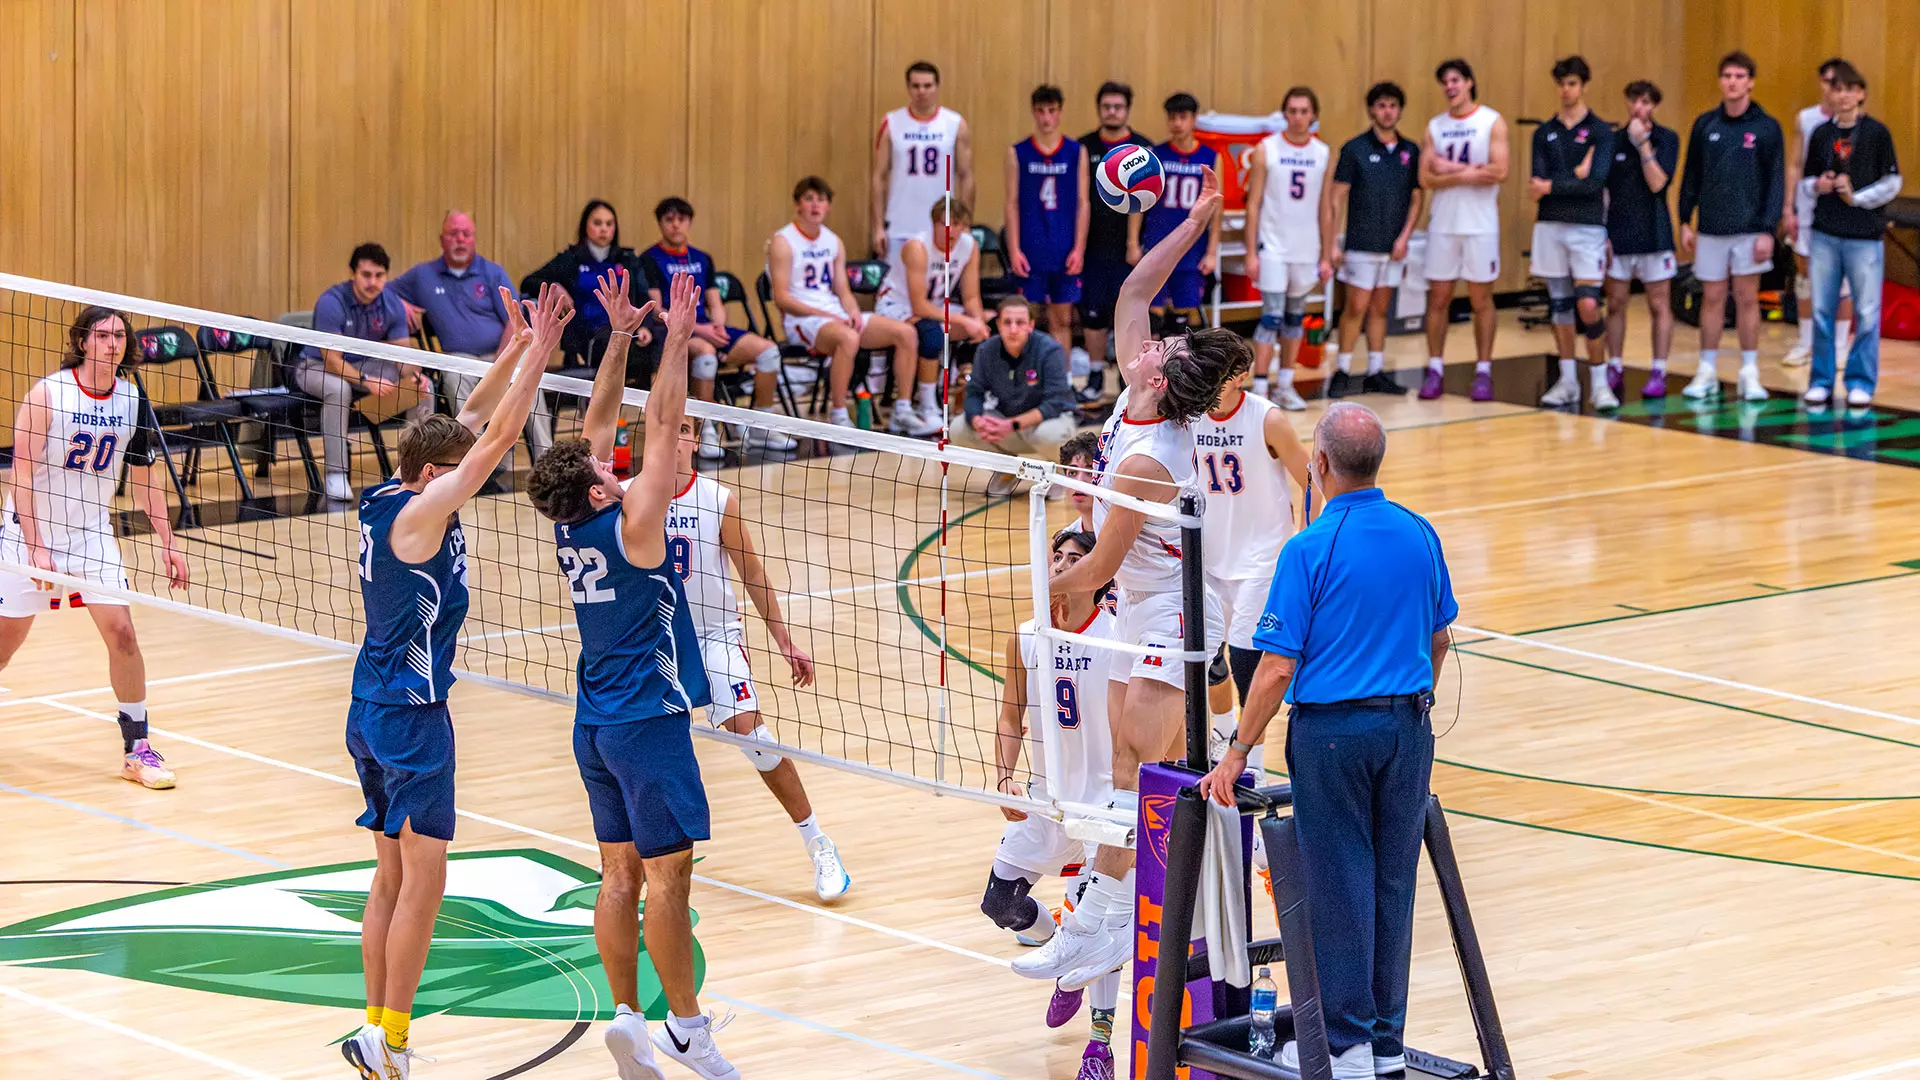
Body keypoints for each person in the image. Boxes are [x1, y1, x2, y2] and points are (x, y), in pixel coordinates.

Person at [1012, 163, 1237, 991]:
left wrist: (1040, 588)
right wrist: (1197, 216)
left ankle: (1104, 924)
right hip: (1143, 610)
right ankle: (1101, 926)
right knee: (1122, 777)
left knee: (1140, 770)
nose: (1150, 339)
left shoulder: (1151, 457)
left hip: (1174, 614)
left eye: (1164, 348)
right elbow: (1139, 284)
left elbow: (1100, 568)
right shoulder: (1130, 402)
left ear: (1161, 378)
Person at [339, 285, 568, 1080]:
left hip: (370, 709)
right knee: (424, 886)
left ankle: (374, 1028)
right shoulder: (422, 516)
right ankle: (392, 1039)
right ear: (434, 476)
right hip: (411, 714)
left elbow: (468, 418)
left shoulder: (390, 494)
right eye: (456, 473)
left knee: (391, 874)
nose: (469, 478)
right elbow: (498, 434)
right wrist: (542, 351)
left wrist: (510, 346)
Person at [522, 272, 740, 1080]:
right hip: (648, 722)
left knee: (616, 874)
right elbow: (660, 422)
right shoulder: (637, 524)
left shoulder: (573, 524)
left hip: (594, 722)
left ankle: (626, 1015)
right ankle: (686, 1025)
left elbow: (599, 423)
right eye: (605, 470)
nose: (615, 467)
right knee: (667, 879)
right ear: (597, 488)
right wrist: (677, 337)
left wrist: (618, 339)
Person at [1198, 402, 1456, 1080]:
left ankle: (1347, 1048)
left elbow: (1276, 666)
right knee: (1392, 882)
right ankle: (1386, 1043)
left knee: (1339, 885)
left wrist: (1236, 749)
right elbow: (1440, 636)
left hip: (1334, 736)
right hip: (1408, 729)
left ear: (1318, 464)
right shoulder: (1419, 532)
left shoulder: (1309, 547)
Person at [661, 357, 853, 902]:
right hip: (656, 642)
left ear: (695, 441)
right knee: (651, 747)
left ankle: (818, 843)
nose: (674, 439)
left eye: (684, 430)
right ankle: (654, 857)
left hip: (716, 636)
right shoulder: (630, 494)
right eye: (665, 428)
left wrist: (785, 641)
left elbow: (753, 573)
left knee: (757, 739)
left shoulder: (718, 499)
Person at [0, 306, 186, 789]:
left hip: (91, 537)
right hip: (28, 533)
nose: (112, 343)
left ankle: (137, 749)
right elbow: (19, 473)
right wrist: (37, 546)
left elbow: (147, 482)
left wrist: (169, 541)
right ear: (82, 341)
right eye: (102, 335)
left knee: (123, 632)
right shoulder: (49, 393)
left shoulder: (132, 399)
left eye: (119, 335)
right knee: (4, 646)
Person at [986, 526, 1121, 1080]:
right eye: (1055, 557)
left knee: (1096, 933)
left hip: (1101, 805)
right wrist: (1003, 777)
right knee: (1000, 903)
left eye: (1074, 559)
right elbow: (1009, 713)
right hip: (1046, 797)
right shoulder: (1024, 636)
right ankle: (1058, 951)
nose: (1060, 566)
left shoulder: (1119, 638)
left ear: (1097, 575)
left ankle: (1100, 1049)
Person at [1194, 365, 1308, 752]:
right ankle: (1222, 731)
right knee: (1208, 661)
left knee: (1247, 666)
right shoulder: (1190, 415)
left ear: (1240, 375)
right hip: (1207, 556)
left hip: (1261, 559)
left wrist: (1306, 540)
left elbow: (1312, 480)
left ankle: (1252, 761)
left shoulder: (1267, 418)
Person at [766, 175, 935, 434]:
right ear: (797, 204)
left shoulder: (833, 241)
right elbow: (782, 298)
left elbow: (843, 289)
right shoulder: (783, 241)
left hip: (834, 314)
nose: (815, 205)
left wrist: (853, 311)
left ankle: (902, 410)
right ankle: (839, 414)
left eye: (821, 200)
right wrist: (827, 315)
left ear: (828, 206)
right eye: (809, 199)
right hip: (802, 320)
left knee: (906, 333)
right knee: (848, 338)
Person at [391, 210, 555, 468]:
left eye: (466, 234)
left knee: (529, 370)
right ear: (442, 239)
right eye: (453, 234)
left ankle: (548, 462)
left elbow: (515, 323)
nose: (460, 239)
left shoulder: (492, 273)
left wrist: (502, 363)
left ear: (474, 239)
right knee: (455, 373)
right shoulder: (422, 275)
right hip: (462, 359)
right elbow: (381, 292)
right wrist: (401, 304)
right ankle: (480, 463)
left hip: (501, 354)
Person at [640, 196, 798, 459]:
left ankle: (761, 427)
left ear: (689, 222)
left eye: (681, 219)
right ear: (660, 224)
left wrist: (718, 326)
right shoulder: (649, 258)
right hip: (674, 331)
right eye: (669, 220)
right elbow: (657, 309)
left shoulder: (703, 258)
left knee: (768, 351)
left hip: (707, 328)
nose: (676, 225)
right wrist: (701, 332)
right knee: (705, 355)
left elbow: (715, 302)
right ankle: (708, 426)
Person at [1677, 50, 1786, 403]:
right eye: (1727, 76)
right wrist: (1684, 219)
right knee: (1711, 298)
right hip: (1710, 227)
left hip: (1750, 229)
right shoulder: (1706, 125)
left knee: (1747, 299)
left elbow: (1776, 181)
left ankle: (1749, 373)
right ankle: (1706, 370)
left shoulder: (1766, 127)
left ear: (1751, 82)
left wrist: (1768, 229)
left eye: (1740, 76)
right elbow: (1691, 174)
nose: (1732, 82)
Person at [295, 243, 434, 501]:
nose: (373, 282)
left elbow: (401, 356)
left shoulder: (391, 304)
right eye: (366, 275)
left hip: (363, 365)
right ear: (353, 274)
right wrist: (367, 381)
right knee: (339, 388)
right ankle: (336, 474)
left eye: (379, 276)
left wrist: (414, 374)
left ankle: (418, 470)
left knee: (423, 388)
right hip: (316, 367)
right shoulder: (331, 302)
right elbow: (333, 361)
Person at [1801, 62, 1900, 408]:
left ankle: (1860, 381)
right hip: (1826, 233)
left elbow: (1892, 182)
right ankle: (1821, 380)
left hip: (1864, 236)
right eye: (1836, 89)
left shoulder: (1876, 133)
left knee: (1868, 312)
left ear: (1861, 94)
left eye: (1849, 89)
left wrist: (1856, 197)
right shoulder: (1821, 134)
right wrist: (1820, 184)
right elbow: (1805, 181)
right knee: (1822, 310)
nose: (1843, 96)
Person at [1529, 56, 1617, 410]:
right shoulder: (1544, 132)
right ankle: (1567, 381)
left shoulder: (1601, 132)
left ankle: (1600, 380)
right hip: (1550, 225)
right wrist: (1571, 179)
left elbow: (1596, 182)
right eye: (1562, 84)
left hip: (1587, 227)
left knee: (1589, 304)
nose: (1567, 90)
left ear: (1583, 86)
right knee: (1561, 306)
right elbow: (1537, 183)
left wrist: (1556, 185)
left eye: (1573, 84)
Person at [1418, 59, 1509, 402]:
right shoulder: (1435, 126)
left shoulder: (1491, 121)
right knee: (1438, 299)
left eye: (1456, 80)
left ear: (1469, 83)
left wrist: (1451, 169)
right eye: (1445, 82)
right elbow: (1427, 179)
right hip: (1444, 223)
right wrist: (1472, 172)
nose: (1450, 86)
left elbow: (1500, 171)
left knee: (1480, 300)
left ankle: (1483, 371)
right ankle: (1436, 368)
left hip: (1481, 226)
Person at [1327, 82, 1423, 399]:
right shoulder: (1355, 149)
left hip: (1392, 246)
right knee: (1356, 307)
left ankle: (1375, 371)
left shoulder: (1411, 151)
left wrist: (1405, 237)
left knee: (1381, 309)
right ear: (1371, 110)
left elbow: (1417, 197)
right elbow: (1337, 197)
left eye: (1393, 106)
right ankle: (1341, 370)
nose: (1387, 111)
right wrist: (1333, 243)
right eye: (1381, 105)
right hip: (1360, 244)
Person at [1243, 85, 1336, 411]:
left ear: (1313, 115)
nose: (1297, 117)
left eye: (1303, 111)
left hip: (1305, 247)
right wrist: (1251, 252)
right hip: (1273, 246)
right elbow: (1252, 204)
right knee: (1271, 316)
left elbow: (1326, 207)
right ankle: (1260, 387)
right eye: (1292, 111)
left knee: (1295, 317)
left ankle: (1285, 385)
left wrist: (1327, 253)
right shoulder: (1267, 149)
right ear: (1285, 114)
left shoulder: (1323, 153)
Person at [952, 295, 1080, 496]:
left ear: (1030, 325)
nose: (1013, 329)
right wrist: (976, 419)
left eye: (1020, 323)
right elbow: (974, 392)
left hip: (1046, 423)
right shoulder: (987, 350)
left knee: (1048, 435)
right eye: (1007, 322)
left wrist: (1012, 424)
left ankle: (1057, 470)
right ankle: (1008, 468)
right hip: (1008, 423)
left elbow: (1056, 402)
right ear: (998, 324)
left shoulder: (1049, 349)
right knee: (959, 429)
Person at [1077, 82, 1155, 404]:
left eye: (1118, 107)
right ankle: (1095, 375)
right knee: (1093, 316)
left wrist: (1134, 242)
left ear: (1127, 110)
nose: (1112, 112)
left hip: (1130, 249)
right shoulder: (1084, 146)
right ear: (1099, 109)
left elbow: (1146, 198)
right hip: (1094, 246)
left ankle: (1131, 380)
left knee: (1130, 314)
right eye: (1106, 106)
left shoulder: (1143, 148)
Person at [1603, 80, 1681, 399]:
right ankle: (1615, 365)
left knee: (1658, 303)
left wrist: (1643, 146)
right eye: (1635, 100)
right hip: (1619, 233)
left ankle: (1659, 370)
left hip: (1655, 234)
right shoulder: (1611, 141)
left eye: (1647, 102)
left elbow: (1658, 184)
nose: (1639, 107)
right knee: (1616, 303)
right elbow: (1604, 191)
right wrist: (1602, 233)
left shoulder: (1668, 139)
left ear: (1654, 107)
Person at [521, 199, 657, 373]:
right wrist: (554, 287)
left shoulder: (627, 260)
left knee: (652, 344)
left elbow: (643, 298)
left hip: (624, 330)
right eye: (597, 223)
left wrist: (645, 326)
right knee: (609, 344)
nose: (604, 229)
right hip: (585, 335)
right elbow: (529, 282)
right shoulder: (572, 258)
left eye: (609, 224)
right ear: (585, 225)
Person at [1006, 84, 1090, 353]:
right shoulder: (1017, 152)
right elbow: (1011, 203)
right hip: (1031, 247)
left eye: (1051, 111)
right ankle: (1024, 382)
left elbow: (1082, 203)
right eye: (1041, 111)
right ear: (1033, 112)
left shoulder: (1076, 152)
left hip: (1064, 247)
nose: (1046, 117)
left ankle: (1060, 381)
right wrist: (1014, 249)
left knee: (1062, 319)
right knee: (1024, 319)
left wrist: (1079, 248)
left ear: (1060, 112)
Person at [1128, 93, 1222, 322]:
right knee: (1153, 315)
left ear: (1194, 119)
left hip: (1191, 248)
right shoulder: (1155, 154)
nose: (1177, 123)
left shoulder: (1210, 157)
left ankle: (1181, 359)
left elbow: (1216, 209)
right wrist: (1132, 243)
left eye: (1183, 117)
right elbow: (1138, 202)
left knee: (1183, 319)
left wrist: (1211, 252)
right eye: (1172, 118)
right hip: (1157, 244)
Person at [1783, 59, 1853, 368]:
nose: (1831, 89)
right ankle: (1805, 342)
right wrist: (1789, 207)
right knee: (1805, 276)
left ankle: (1839, 345)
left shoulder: (1858, 124)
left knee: (1843, 281)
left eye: (1838, 84)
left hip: (1842, 211)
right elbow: (1795, 164)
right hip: (1809, 206)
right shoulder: (1807, 119)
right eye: (1826, 82)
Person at [875, 196, 991, 378]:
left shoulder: (970, 246)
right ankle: (927, 401)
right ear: (934, 224)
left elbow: (971, 297)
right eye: (945, 224)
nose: (950, 230)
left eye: (957, 224)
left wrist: (978, 322)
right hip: (896, 305)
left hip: (934, 307)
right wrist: (964, 321)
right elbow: (919, 306)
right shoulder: (918, 247)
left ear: (964, 227)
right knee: (932, 335)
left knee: (991, 324)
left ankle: (969, 383)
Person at [872, 60, 973, 260]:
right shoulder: (892, 122)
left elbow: (967, 176)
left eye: (928, 86)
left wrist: (964, 224)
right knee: (898, 289)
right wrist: (877, 227)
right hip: (900, 225)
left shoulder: (955, 124)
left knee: (937, 288)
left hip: (942, 226)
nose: (922, 91)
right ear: (908, 88)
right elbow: (879, 177)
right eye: (916, 86)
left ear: (937, 87)